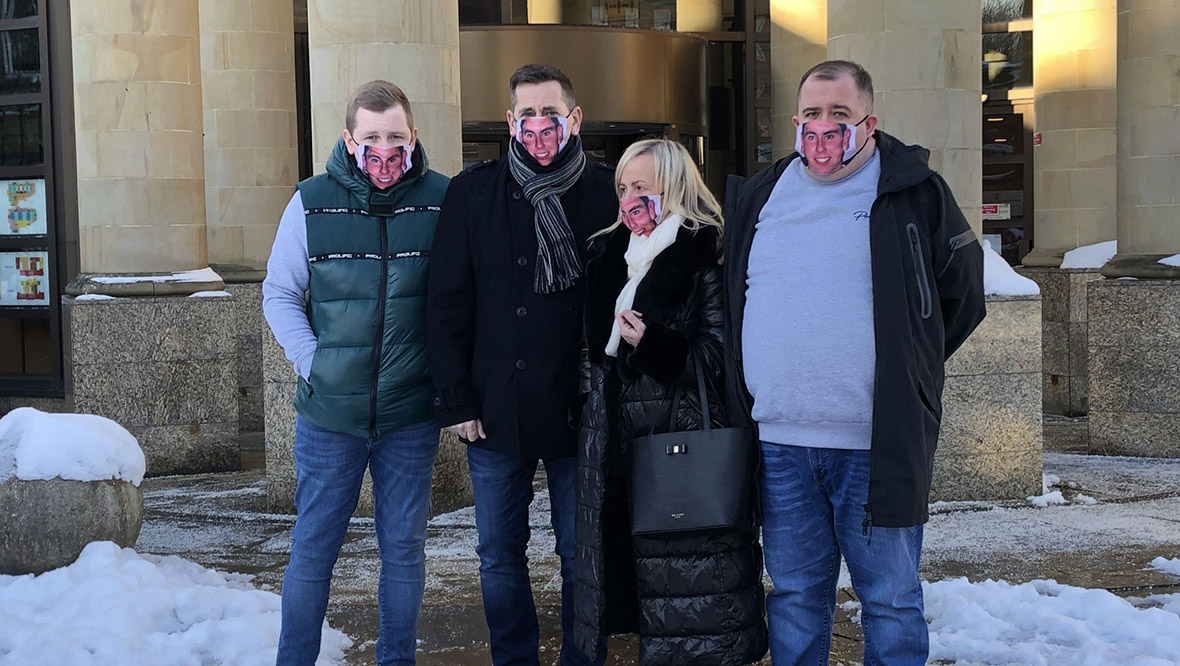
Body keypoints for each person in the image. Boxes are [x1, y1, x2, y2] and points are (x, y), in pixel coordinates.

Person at [721, 60, 987, 666]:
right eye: (811, 114)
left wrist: (907, 368)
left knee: (890, 600)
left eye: (839, 115)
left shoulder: (912, 191)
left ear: (869, 121)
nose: (822, 128)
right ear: (794, 120)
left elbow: (962, 294)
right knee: (793, 599)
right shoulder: (762, 194)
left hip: (876, 443)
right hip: (780, 446)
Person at [426, 63, 617, 666]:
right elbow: (447, 301)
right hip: (494, 407)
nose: (538, 126)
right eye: (526, 114)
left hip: (580, 407)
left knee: (579, 550)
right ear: (510, 121)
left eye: (550, 114)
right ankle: (515, 658)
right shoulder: (473, 191)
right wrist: (456, 401)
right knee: (498, 553)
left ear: (575, 119)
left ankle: (583, 656)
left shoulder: (608, 189)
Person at [263, 80, 448, 666]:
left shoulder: (444, 200)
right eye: (371, 137)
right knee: (313, 552)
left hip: (409, 415)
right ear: (349, 139)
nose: (384, 149)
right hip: (329, 418)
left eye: (395, 136)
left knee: (403, 551)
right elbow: (280, 294)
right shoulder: (311, 202)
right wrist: (313, 363)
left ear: (413, 137)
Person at [572, 138, 768, 665]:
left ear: (674, 187)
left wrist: (651, 344)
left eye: (642, 186)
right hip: (616, 453)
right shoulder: (608, 252)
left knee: (695, 608)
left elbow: (722, 357)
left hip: (681, 445)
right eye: (623, 187)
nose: (630, 197)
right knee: (639, 608)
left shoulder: (706, 253)